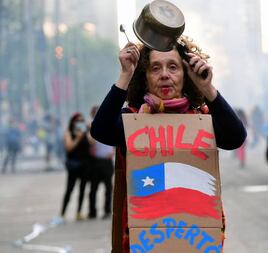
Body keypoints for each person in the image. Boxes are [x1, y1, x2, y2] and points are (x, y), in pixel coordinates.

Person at [90, 36, 246, 252]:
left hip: (196, 240)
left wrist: (207, 87)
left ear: (186, 75)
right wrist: (125, 75)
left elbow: (235, 137)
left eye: (173, 67)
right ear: (144, 77)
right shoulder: (132, 119)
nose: (164, 75)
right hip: (144, 241)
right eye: (155, 68)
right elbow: (100, 129)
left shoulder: (202, 118)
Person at [60, 113, 91, 221]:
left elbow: (92, 143)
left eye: (82, 120)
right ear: (72, 122)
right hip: (74, 166)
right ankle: (62, 213)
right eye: (77, 120)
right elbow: (69, 147)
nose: (79, 122)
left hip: (85, 165)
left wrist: (87, 131)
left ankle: (78, 212)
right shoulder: (68, 133)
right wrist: (77, 138)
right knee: (69, 189)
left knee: (82, 189)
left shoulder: (85, 133)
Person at [88, 105, 115, 219]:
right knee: (93, 188)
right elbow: (90, 142)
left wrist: (113, 152)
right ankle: (92, 211)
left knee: (108, 187)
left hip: (107, 161)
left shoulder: (109, 124)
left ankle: (107, 210)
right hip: (96, 161)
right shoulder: (91, 127)